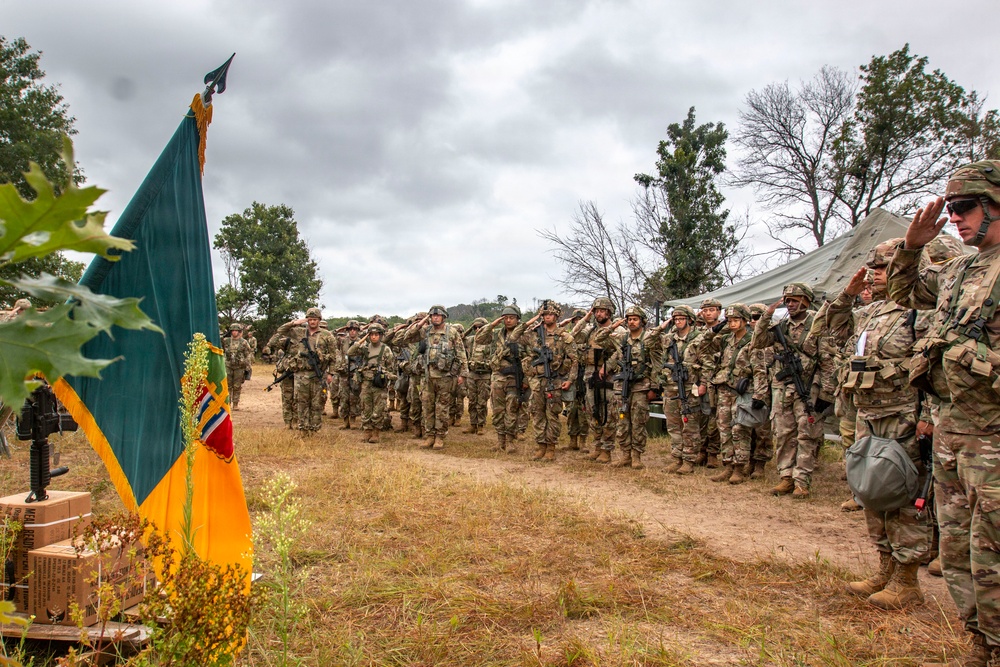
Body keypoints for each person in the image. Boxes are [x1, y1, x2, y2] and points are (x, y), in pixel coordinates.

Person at [887, 160, 1000, 664]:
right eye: (950, 209)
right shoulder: (960, 270)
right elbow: (904, 295)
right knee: (958, 551)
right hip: (955, 431)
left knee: (993, 551)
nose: (954, 218)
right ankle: (981, 641)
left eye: (964, 208)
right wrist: (911, 248)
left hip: (994, 435)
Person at [829, 239, 946, 610]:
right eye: (874, 267)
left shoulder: (920, 310)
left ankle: (908, 579)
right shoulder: (871, 311)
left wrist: (927, 416)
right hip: (868, 415)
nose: (875, 274)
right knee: (872, 491)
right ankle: (885, 568)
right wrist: (846, 296)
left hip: (904, 415)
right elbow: (832, 332)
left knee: (904, 495)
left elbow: (933, 364)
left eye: (882, 268)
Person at [751, 283, 834, 499]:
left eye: (795, 300)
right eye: (787, 301)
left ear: (806, 301)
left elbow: (826, 359)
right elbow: (758, 342)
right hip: (783, 387)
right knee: (783, 433)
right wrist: (766, 317)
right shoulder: (781, 326)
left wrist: (826, 393)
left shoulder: (817, 323)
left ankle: (802, 481)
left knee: (807, 434)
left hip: (807, 387)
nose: (790, 304)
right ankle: (786, 477)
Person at [595, 305, 665, 469]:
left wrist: (654, 388)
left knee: (638, 422)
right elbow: (599, 339)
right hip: (621, 387)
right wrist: (612, 327)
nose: (632, 322)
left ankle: (636, 456)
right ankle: (625, 454)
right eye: (629, 319)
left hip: (641, 387)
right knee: (622, 422)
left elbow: (656, 364)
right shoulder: (621, 338)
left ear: (641, 321)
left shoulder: (648, 340)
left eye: (635, 319)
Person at [510, 301, 578, 461]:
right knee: (537, 414)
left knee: (552, 415)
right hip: (537, 381)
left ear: (556, 316)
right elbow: (513, 338)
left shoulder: (564, 336)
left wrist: (569, 380)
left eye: (550, 315)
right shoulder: (533, 334)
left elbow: (575, 360)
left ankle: (551, 447)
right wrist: (533, 320)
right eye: (545, 315)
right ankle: (541, 445)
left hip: (555, 381)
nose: (547, 317)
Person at [401, 305, 469, 449]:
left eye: (438, 315)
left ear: (444, 316)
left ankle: (440, 436)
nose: (435, 317)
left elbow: (461, 353)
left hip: (445, 377)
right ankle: (429, 435)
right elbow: (407, 337)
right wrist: (421, 321)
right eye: (432, 315)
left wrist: (463, 374)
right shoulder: (425, 331)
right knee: (427, 407)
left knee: (442, 408)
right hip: (427, 377)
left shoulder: (452, 333)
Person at [703, 304, 754, 484]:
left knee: (740, 429)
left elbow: (760, 368)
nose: (732, 324)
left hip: (743, 390)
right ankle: (728, 465)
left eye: (736, 320)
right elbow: (704, 343)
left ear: (745, 321)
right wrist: (718, 327)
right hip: (724, 389)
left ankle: (739, 467)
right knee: (724, 427)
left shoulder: (752, 340)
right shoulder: (725, 340)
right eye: (730, 320)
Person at [571, 298, 621, 462]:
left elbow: (621, 351)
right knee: (592, 412)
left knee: (608, 412)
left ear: (609, 312)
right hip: (590, 373)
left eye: (601, 311)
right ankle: (597, 445)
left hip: (609, 374)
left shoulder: (618, 330)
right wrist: (585, 318)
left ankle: (607, 449)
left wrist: (608, 366)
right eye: (596, 311)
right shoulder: (590, 330)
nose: (598, 314)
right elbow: (574, 336)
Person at [275, 308, 338, 432]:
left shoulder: (327, 335)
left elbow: (333, 356)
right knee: (301, 402)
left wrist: (331, 373)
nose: (312, 322)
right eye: (310, 319)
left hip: (318, 374)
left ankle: (315, 428)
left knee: (317, 403)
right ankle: (303, 428)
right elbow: (280, 330)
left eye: (315, 319)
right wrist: (294, 323)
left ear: (319, 320)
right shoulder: (300, 332)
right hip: (301, 374)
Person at [477, 304, 529, 452]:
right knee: (498, 411)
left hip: (515, 378)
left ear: (518, 319)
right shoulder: (497, 334)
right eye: (505, 318)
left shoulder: (524, 335)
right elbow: (479, 338)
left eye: (512, 318)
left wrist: (526, 380)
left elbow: (530, 356)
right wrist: (493, 324)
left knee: (511, 410)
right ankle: (501, 441)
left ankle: (511, 441)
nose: (508, 321)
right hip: (498, 377)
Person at [659, 305, 701, 474]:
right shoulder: (669, 339)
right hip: (670, 387)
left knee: (689, 425)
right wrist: (663, 325)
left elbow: (707, 363)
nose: (678, 322)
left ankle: (689, 460)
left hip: (690, 387)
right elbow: (649, 340)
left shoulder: (698, 338)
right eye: (675, 319)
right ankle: (676, 457)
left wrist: (703, 383)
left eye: (681, 318)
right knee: (673, 424)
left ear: (690, 319)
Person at [347, 323, 396, 443]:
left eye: (376, 334)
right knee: (365, 407)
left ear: (380, 335)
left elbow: (391, 368)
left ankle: (376, 432)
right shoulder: (365, 348)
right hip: (366, 382)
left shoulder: (386, 349)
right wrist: (362, 340)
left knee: (378, 409)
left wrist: (387, 377)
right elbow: (350, 352)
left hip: (379, 383)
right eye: (371, 334)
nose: (374, 337)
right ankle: (367, 431)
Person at [462, 318, 492, 435]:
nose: (477, 329)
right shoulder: (471, 340)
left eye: (480, 327)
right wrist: (471, 327)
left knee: (482, 401)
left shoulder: (490, 341)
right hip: (472, 375)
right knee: (472, 400)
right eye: (476, 328)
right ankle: (473, 424)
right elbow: (460, 338)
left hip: (484, 375)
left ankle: (481, 425)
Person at [263, 328, 296, 429]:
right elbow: (272, 342)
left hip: (300, 376)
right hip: (286, 376)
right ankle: (287, 422)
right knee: (287, 399)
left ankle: (296, 421)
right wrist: (288, 327)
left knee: (298, 399)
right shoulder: (285, 342)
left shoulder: (305, 341)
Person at [336, 320, 363, 429]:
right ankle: (345, 421)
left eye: (355, 329)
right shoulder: (342, 341)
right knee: (343, 397)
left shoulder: (362, 342)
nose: (352, 332)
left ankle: (353, 420)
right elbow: (331, 336)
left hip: (355, 373)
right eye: (350, 329)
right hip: (344, 373)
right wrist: (341, 328)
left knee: (354, 397)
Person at [223, 323, 253, 410]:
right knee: (228, 385)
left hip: (239, 366)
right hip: (228, 365)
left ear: (239, 332)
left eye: (236, 331)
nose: (234, 332)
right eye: (232, 331)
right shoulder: (226, 341)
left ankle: (235, 404)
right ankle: (227, 403)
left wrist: (247, 365)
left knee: (237, 386)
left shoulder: (244, 342)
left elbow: (248, 354)